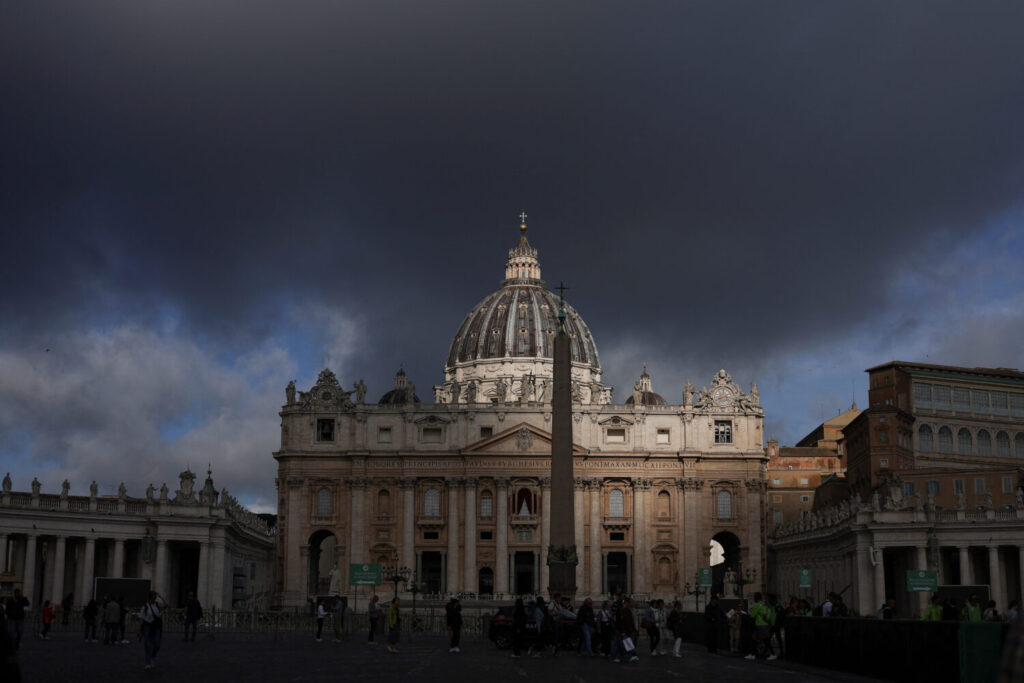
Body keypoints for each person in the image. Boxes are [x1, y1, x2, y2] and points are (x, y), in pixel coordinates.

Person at [137, 591, 165, 670]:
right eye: (153, 597)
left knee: (157, 645)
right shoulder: (145, 606)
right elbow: (141, 618)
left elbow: (167, 605)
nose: (154, 599)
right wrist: (139, 629)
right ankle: (148, 662)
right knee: (148, 645)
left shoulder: (157, 604)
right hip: (147, 627)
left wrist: (160, 596)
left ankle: (152, 657)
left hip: (156, 627)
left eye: (155, 597)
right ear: (150, 597)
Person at [747, 592, 777, 660]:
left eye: (755, 597)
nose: (754, 598)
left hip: (760, 625)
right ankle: (752, 654)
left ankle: (773, 654)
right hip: (765, 624)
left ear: (757, 598)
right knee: (754, 640)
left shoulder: (757, 605)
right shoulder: (764, 604)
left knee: (765, 641)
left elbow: (753, 615)